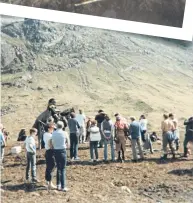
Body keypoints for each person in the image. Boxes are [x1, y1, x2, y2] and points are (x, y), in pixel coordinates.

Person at [51, 121, 70, 192]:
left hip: (56, 151)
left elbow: (52, 143)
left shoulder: (54, 133)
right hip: (62, 151)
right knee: (63, 169)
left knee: (58, 168)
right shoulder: (65, 133)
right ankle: (63, 186)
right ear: (62, 126)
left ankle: (58, 185)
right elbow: (68, 143)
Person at [43, 123, 56, 190]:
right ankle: (50, 183)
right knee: (52, 167)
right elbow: (51, 144)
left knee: (48, 167)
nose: (53, 129)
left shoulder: (45, 134)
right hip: (51, 151)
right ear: (48, 129)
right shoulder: (49, 135)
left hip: (48, 151)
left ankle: (47, 181)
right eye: (52, 128)